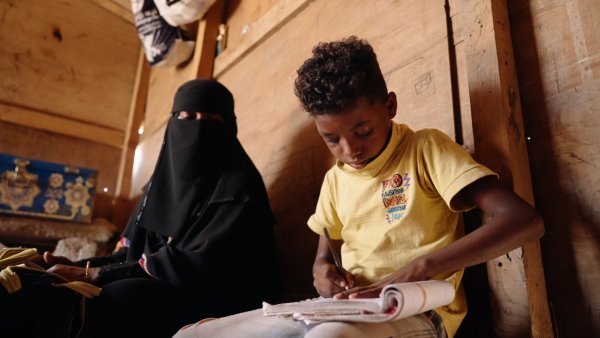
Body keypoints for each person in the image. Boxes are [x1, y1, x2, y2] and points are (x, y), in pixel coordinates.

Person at [172, 36, 545, 338]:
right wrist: (323, 274)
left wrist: (420, 268)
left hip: (419, 308)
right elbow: (324, 257)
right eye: (331, 139)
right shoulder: (335, 180)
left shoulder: (423, 149)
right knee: (192, 334)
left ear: (390, 105)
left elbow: (523, 220)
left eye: (363, 131)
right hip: (350, 306)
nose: (350, 150)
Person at [0, 79, 281, 338]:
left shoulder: (239, 190)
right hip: (163, 284)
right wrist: (81, 266)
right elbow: (130, 252)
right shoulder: (159, 187)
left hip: (211, 298)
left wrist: (93, 275)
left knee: (123, 294)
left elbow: (199, 266)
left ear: (229, 128)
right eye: (188, 118)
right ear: (173, 123)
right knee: (32, 284)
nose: (197, 130)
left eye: (211, 120)